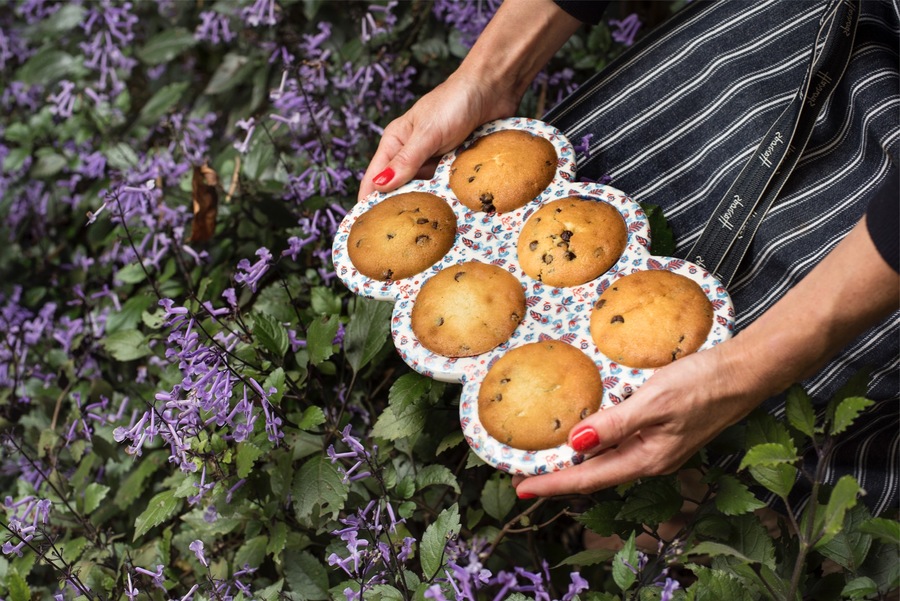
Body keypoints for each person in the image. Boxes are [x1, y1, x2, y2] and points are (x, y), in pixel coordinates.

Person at [358, 0, 899, 509]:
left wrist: (746, 371)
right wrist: (491, 73)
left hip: (870, 248)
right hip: (780, 40)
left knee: (779, 429)